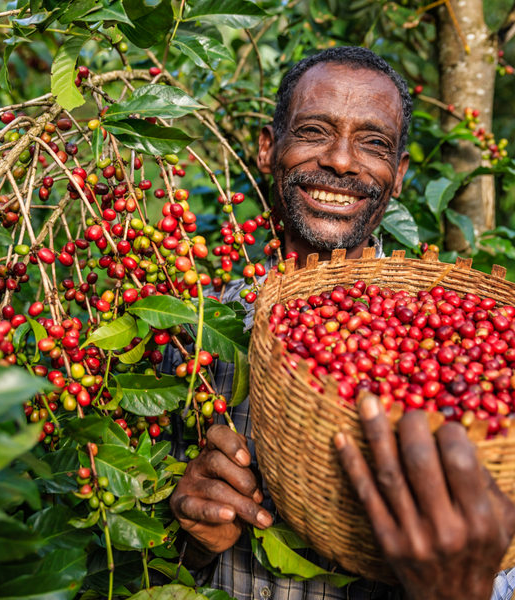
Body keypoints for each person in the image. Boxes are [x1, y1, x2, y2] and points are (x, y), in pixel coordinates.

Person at [168, 46, 515, 600]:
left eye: (374, 143)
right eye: (313, 131)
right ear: (268, 148)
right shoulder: (194, 336)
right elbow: (156, 563)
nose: (342, 161)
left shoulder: (432, 325)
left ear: (398, 175)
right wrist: (191, 542)